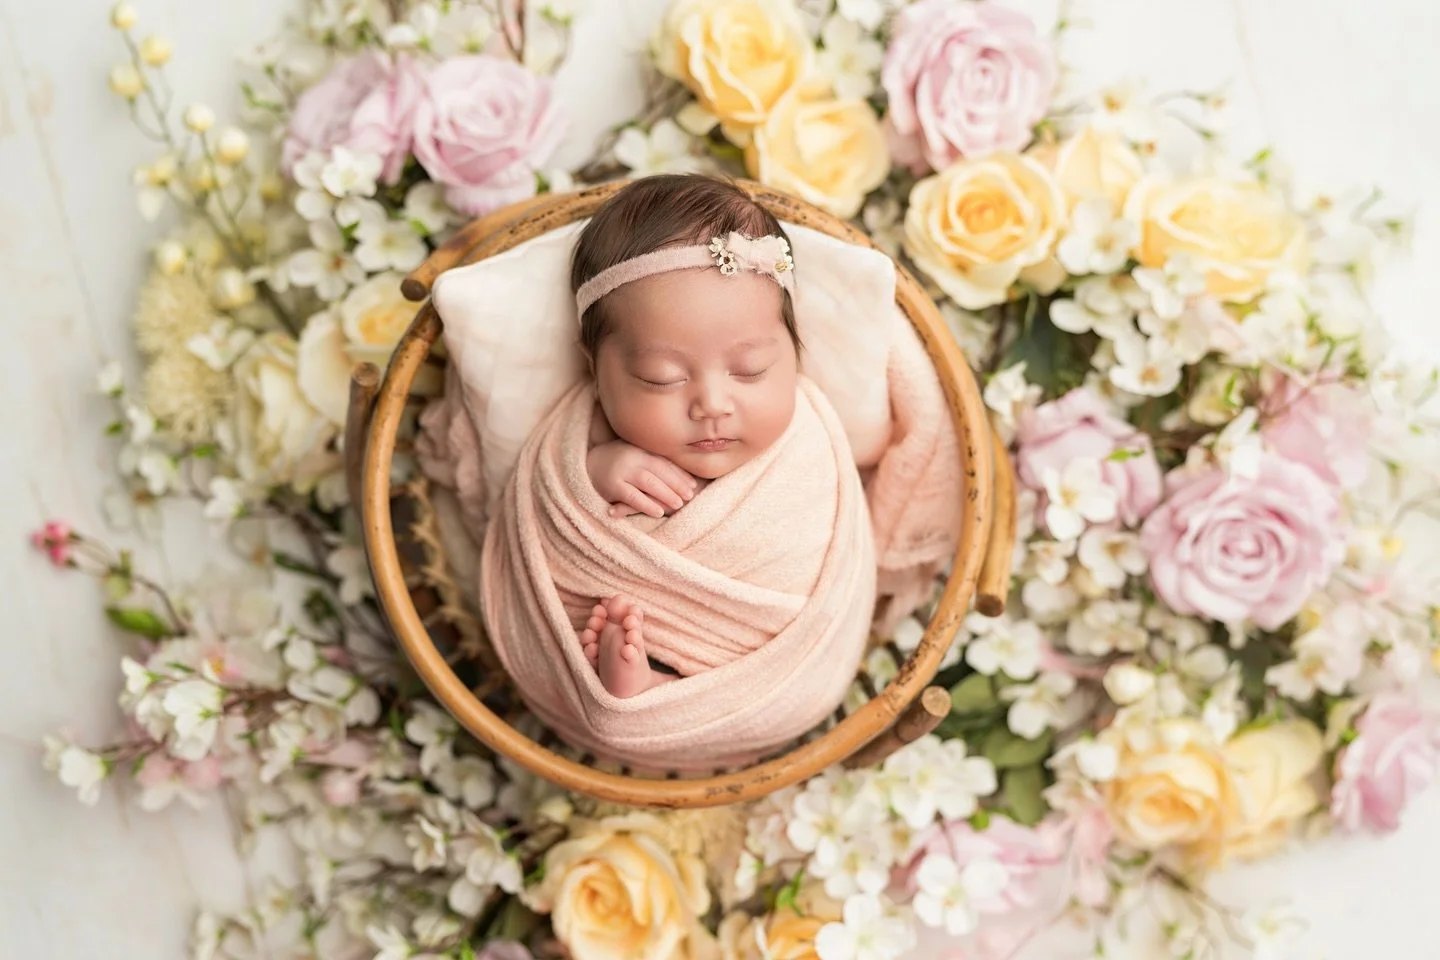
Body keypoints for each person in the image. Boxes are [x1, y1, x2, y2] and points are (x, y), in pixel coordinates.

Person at [567, 174, 807, 698]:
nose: (713, 406)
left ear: (793, 353)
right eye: (661, 378)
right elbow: (545, 503)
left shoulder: (807, 446)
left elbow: (825, 541)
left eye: (751, 369)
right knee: (610, 615)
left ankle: (677, 691)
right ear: (595, 370)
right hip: (637, 617)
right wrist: (591, 472)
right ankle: (651, 685)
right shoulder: (587, 430)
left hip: (782, 663)